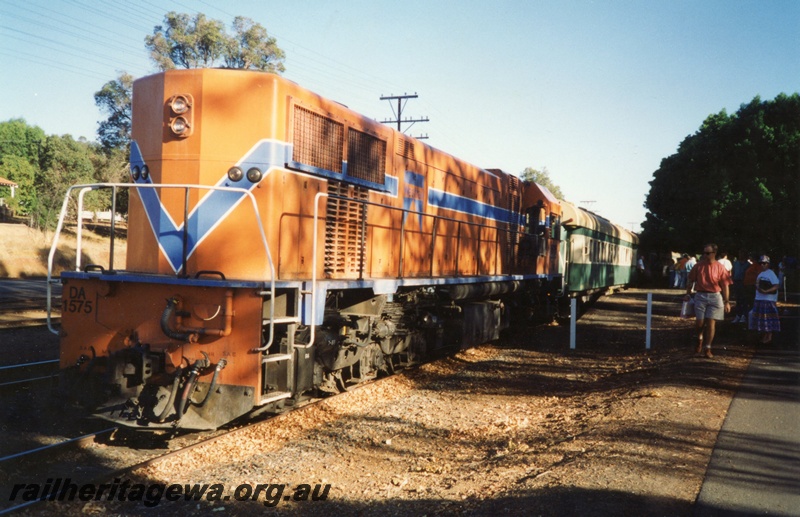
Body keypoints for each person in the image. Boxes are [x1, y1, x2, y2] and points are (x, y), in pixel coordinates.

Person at [684, 243, 732, 358]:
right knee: (699, 322)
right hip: (700, 296)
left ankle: (708, 347)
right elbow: (690, 280)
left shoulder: (720, 267)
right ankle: (699, 338)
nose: (705, 255)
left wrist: (726, 301)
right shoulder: (698, 266)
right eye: (704, 253)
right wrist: (688, 293)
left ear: (714, 253)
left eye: (707, 253)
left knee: (711, 322)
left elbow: (725, 285)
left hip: (715, 296)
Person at [751, 255, 780, 344]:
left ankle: (769, 335)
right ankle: (765, 334)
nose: (762, 265)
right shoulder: (760, 274)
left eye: (764, 263)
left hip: (768, 299)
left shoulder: (771, 273)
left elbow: (776, 286)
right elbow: (757, 284)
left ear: (768, 264)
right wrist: (758, 288)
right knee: (761, 319)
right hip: (760, 298)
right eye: (761, 263)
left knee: (768, 318)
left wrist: (766, 291)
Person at [731, 250, 751, 323]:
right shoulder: (736, 263)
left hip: (744, 283)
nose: (740, 255)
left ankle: (744, 315)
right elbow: (733, 272)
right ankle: (738, 315)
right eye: (740, 254)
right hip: (736, 282)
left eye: (742, 254)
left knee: (744, 300)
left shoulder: (748, 265)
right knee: (738, 300)